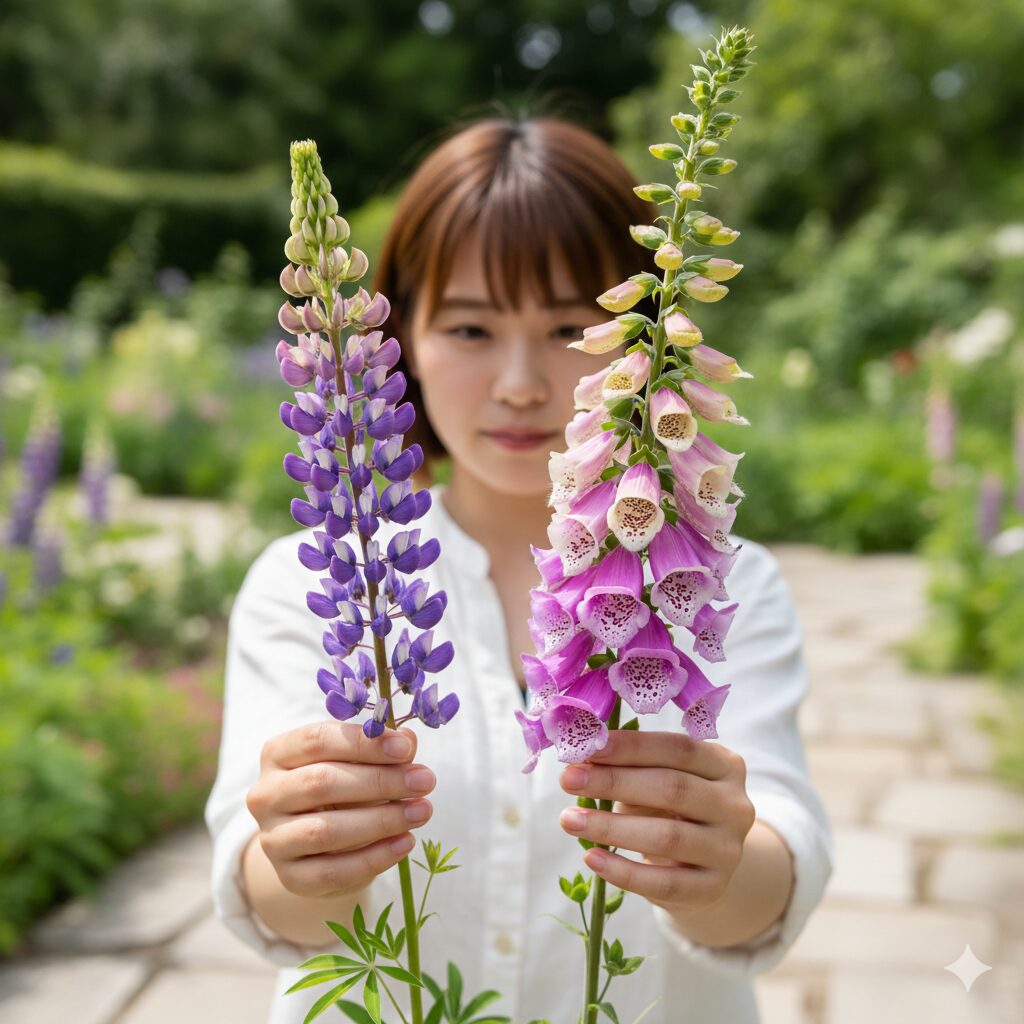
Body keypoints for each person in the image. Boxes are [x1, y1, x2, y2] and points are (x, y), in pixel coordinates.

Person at [205, 114, 834, 1024]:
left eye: (572, 327)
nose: (520, 384)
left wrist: (725, 863)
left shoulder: (728, 575)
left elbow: (774, 875)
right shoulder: (306, 578)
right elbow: (266, 897)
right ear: (400, 343)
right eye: (467, 327)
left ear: (640, 338)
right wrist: (299, 857)